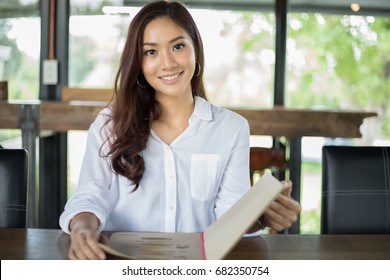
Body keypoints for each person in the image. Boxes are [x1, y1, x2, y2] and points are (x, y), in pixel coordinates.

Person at [59, 0, 301, 260]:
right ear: (138, 62)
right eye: (151, 52)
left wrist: (262, 216)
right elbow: (88, 197)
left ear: (196, 49)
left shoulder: (231, 128)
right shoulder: (109, 125)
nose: (167, 63)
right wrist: (83, 228)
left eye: (177, 46)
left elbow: (230, 218)